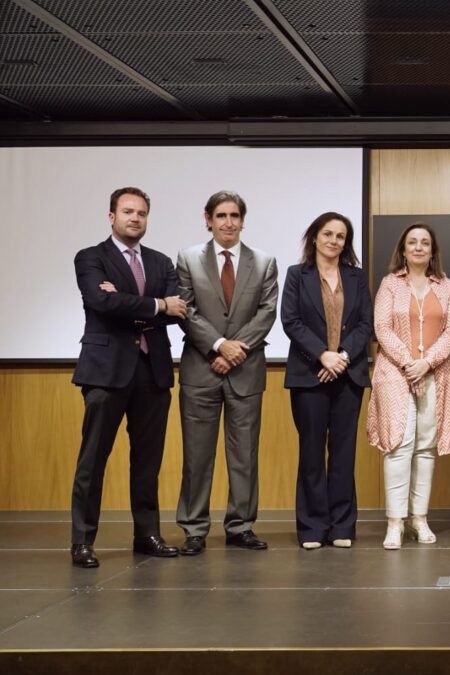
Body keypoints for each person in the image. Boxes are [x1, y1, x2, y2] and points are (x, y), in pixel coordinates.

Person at [70, 187, 187, 568]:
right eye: (127, 212)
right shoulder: (91, 257)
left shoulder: (160, 261)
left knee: (147, 461)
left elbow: (178, 309)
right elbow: (100, 302)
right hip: (106, 372)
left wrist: (129, 302)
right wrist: (156, 304)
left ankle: (147, 535)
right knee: (93, 460)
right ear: (111, 216)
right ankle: (83, 541)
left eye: (141, 213)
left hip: (152, 371)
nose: (135, 218)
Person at [174, 191, 278, 555]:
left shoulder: (264, 261)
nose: (229, 222)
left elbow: (266, 313)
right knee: (196, 455)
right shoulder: (187, 258)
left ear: (243, 220)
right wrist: (219, 345)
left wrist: (234, 352)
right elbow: (185, 309)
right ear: (208, 219)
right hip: (201, 370)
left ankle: (241, 526)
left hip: (245, 371)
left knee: (245, 455)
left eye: (235, 215)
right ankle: (194, 528)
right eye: (221, 216)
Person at [282, 212, 372, 550]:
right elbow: (291, 322)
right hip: (309, 375)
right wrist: (323, 355)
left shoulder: (356, 277)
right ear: (315, 237)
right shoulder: (296, 275)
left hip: (348, 375)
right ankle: (312, 527)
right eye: (328, 234)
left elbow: (366, 323)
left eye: (341, 236)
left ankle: (342, 527)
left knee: (343, 454)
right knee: (311, 454)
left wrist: (343, 357)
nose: (334, 241)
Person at [368, 222, 450, 550]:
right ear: (403, 250)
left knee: (425, 448)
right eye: (412, 242)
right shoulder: (390, 284)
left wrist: (426, 363)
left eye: (425, 243)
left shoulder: (447, 287)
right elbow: (381, 326)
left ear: (432, 250)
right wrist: (409, 363)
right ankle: (395, 522)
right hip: (396, 374)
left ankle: (419, 519)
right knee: (398, 446)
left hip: (436, 374)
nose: (419, 247)